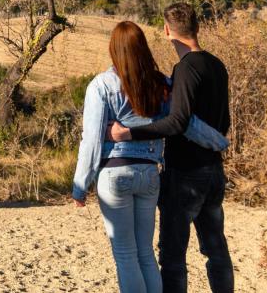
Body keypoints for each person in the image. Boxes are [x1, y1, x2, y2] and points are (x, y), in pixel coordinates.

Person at [73, 20, 227, 293]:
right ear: (143, 47)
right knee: (145, 253)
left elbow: (92, 141)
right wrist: (218, 141)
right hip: (150, 175)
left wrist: (80, 186)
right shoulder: (161, 83)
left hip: (115, 173)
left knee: (125, 255)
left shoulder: (102, 85)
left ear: (113, 49)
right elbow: (186, 123)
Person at [111, 2, 234, 293]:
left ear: (167, 31)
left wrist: (128, 133)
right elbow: (225, 122)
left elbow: (177, 122)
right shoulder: (217, 65)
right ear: (197, 27)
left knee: (172, 256)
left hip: (186, 174)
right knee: (216, 250)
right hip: (214, 170)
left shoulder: (186, 69)